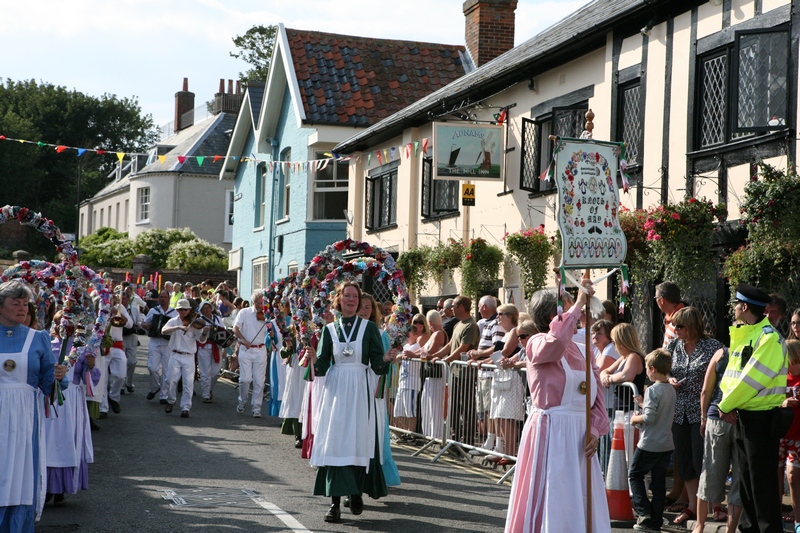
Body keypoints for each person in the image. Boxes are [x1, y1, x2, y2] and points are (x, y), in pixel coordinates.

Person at [504, 282, 610, 532]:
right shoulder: (537, 343)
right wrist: (580, 302)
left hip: (581, 438)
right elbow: (555, 341)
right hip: (552, 434)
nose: (577, 314)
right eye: (570, 309)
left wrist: (595, 430)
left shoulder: (583, 350)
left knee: (581, 500)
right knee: (555, 496)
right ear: (554, 315)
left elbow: (596, 397)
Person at [309, 282, 398, 523]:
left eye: (355, 297)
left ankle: (356, 491)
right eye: (347, 296)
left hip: (361, 389)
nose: (351, 300)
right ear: (339, 299)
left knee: (358, 439)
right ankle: (334, 504)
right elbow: (323, 365)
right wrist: (312, 359)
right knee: (336, 441)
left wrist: (385, 359)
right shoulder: (329, 330)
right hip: (337, 389)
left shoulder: (369, 328)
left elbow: (377, 364)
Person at [718, 283, 788, 533]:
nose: (734, 308)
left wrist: (725, 405)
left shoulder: (769, 338)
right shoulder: (748, 333)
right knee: (746, 483)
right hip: (743, 415)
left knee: (761, 485)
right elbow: (731, 377)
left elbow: (752, 380)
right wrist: (727, 405)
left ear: (745, 307)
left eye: (737, 304)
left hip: (761, 418)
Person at [0, 280, 66, 531]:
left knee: (21, 474)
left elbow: (49, 385)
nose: (22, 308)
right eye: (15, 303)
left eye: (24, 303)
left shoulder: (38, 338)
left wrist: (58, 375)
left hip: (24, 417)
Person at [665, 306, 724, 525]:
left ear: (691, 326)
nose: (676, 330)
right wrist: (669, 378)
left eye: (680, 326)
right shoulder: (674, 346)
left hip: (703, 412)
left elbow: (723, 377)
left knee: (705, 460)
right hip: (679, 412)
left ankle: (714, 504)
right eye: (674, 326)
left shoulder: (713, 347)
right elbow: (663, 368)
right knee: (685, 460)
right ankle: (692, 505)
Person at [45, 312, 95, 508]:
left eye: (67, 323)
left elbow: (87, 378)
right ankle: (46, 487)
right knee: (47, 442)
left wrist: (90, 367)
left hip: (71, 401)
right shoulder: (47, 345)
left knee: (67, 442)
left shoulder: (81, 348)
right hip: (49, 398)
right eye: (59, 323)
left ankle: (61, 489)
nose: (63, 327)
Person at [693, 346, 742, 533]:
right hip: (743, 419)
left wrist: (703, 418)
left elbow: (706, 390)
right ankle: (730, 530)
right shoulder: (756, 351)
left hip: (716, 417)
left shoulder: (721, 353)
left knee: (710, 472)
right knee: (738, 480)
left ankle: (699, 526)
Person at [629, 349, 676, 532]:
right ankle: (655, 523)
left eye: (647, 369)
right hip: (666, 444)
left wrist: (635, 419)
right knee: (659, 484)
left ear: (653, 369)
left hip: (650, 443)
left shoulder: (652, 390)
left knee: (635, 475)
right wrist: (643, 404)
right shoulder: (670, 389)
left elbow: (649, 417)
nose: (646, 372)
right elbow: (659, 410)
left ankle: (643, 512)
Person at [429, 295, 480, 444]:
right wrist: (436, 356)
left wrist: (446, 360)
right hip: (455, 372)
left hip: (466, 374)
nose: (451, 308)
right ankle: (455, 437)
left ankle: (468, 440)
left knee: (467, 406)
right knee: (454, 405)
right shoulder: (458, 324)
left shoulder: (471, 325)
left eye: (453, 306)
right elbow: (450, 345)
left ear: (461, 307)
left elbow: (463, 348)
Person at [486, 304, 524, 462]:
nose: (497, 317)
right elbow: (497, 354)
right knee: (499, 415)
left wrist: (484, 361)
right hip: (501, 376)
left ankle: (510, 453)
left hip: (512, 377)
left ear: (510, 316)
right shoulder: (505, 333)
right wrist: (483, 361)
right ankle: (503, 451)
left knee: (507, 416)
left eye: (500, 314)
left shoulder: (514, 331)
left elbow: (506, 352)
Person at [468, 295, 505, 450]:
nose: (477, 310)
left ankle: (494, 442)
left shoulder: (495, 323)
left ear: (484, 307)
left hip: (490, 374)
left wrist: (479, 354)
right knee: (487, 410)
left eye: (478, 306)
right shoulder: (489, 323)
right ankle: (490, 442)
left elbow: (498, 347)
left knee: (491, 410)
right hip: (485, 373)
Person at [161, 299, 209, 418]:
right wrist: (178, 327)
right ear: (177, 310)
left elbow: (201, 340)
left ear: (189, 310)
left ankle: (186, 407)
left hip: (189, 356)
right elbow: (163, 331)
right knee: (170, 380)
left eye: (185, 310)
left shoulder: (194, 323)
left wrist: (204, 333)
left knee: (188, 383)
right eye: (180, 309)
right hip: (175, 354)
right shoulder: (173, 321)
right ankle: (171, 401)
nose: (183, 312)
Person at [232, 290, 271, 418]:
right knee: (245, 379)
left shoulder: (267, 315)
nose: (260, 305)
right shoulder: (244, 312)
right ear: (253, 302)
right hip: (246, 349)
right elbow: (235, 328)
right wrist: (244, 340)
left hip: (260, 349)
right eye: (258, 303)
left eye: (262, 303)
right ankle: (242, 401)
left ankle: (256, 408)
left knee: (259, 381)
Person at [394, 314, 425, 441]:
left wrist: (404, 355)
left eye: (409, 335)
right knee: (398, 411)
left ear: (415, 336)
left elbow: (415, 354)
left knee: (410, 411)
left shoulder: (417, 347)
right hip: (402, 382)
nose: (407, 337)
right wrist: (400, 356)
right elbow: (398, 357)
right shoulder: (406, 346)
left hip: (411, 383)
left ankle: (411, 434)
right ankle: (405, 432)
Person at [143, 290, 177, 404]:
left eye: (165, 297)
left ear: (168, 299)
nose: (163, 299)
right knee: (152, 368)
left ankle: (163, 395)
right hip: (155, 342)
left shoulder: (174, 313)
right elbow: (144, 323)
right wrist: (147, 326)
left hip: (168, 344)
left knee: (167, 371)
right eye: (161, 297)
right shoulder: (153, 311)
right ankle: (155, 387)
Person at [419, 309, 448, 442]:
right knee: (427, 403)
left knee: (435, 404)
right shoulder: (434, 334)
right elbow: (423, 351)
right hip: (430, 374)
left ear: (430, 322)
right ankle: (429, 434)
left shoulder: (439, 334)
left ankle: (436, 435)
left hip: (437, 374)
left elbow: (430, 352)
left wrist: (415, 354)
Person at [781, 339, 800, 533]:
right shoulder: (779, 376)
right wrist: (783, 403)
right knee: (776, 477)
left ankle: (798, 520)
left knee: (793, 476)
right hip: (779, 434)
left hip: (797, 436)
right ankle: (775, 517)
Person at [104, 292, 132, 416]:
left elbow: (130, 324)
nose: (111, 299)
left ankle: (113, 397)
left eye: (112, 297)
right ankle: (103, 408)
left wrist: (118, 313)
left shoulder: (120, 308)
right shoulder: (99, 307)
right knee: (103, 379)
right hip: (103, 346)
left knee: (121, 375)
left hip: (117, 345)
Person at [195, 301, 224, 403]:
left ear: (211, 308)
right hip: (204, 346)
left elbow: (223, 330)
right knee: (204, 372)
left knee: (216, 372)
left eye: (208, 307)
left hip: (216, 346)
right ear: (201, 310)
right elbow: (197, 335)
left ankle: (209, 389)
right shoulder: (199, 320)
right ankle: (206, 395)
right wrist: (204, 332)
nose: (206, 310)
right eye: (204, 308)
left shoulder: (218, 319)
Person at [120, 290, 140, 395]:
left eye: (124, 298)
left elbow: (139, 321)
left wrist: (138, 325)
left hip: (132, 337)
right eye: (121, 299)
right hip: (121, 337)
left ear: (128, 299)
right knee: (122, 361)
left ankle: (129, 382)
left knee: (132, 362)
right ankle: (121, 385)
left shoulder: (134, 309)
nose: (122, 300)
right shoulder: (117, 309)